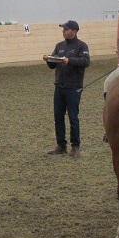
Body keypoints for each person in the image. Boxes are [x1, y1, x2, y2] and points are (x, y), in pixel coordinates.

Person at [43, 20, 90, 156]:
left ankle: (75, 146)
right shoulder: (59, 46)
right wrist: (49, 60)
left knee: (73, 117)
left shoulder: (82, 46)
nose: (63, 31)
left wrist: (70, 61)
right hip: (59, 86)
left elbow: (86, 61)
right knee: (58, 116)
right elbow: (53, 65)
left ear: (73, 31)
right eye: (63, 29)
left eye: (66, 29)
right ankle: (61, 145)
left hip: (73, 87)